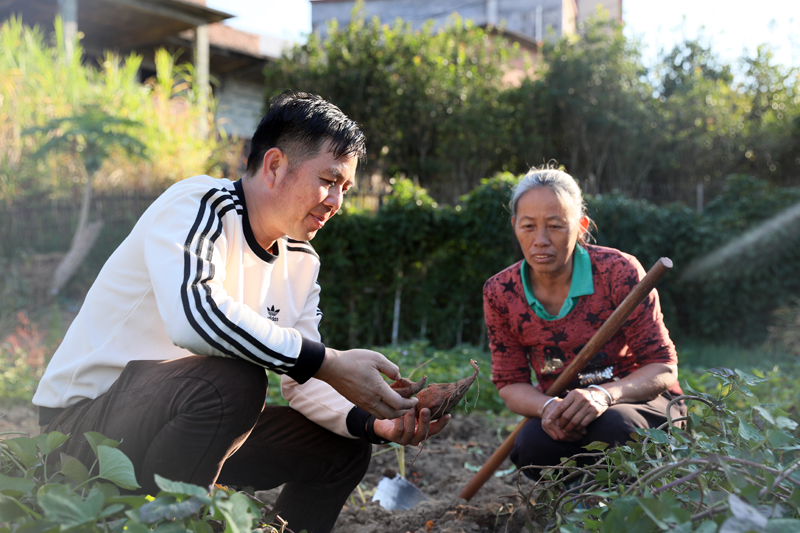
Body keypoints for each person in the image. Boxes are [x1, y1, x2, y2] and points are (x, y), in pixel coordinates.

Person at [32, 91, 449, 533]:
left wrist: (376, 423)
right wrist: (328, 362)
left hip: (180, 432)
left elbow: (304, 381)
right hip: (84, 435)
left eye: (345, 189)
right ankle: (166, 525)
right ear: (274, 166)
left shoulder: (300, 263)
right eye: (329, 180)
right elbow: (196, 318)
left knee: (342, 448)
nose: (336, 201)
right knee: (231, 381)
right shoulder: (198, 205)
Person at [482, 166, 685, 479]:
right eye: (528, 226)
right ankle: (574, 497)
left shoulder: (618, 272)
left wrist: (604, 395)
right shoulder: (501, 292)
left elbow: (663, 367)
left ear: (580, 226)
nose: (540, 240)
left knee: (613, 427)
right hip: (564, 410)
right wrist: (548, 407)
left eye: (555, 226)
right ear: (514, 226)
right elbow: (510, 384)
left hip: (638, 401)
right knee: (530, 444)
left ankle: (623, 495)